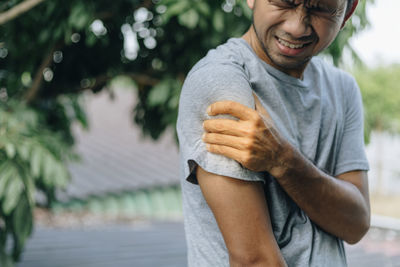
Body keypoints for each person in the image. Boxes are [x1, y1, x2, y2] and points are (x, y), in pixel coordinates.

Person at [176, 0, 370, 266]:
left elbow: (356, 223)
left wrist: (284, 160)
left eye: (320, 8)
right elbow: (254, 260)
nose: (296, 27)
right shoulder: (222, 80)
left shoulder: (342, 88)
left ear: (347, 12)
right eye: (284, 2)